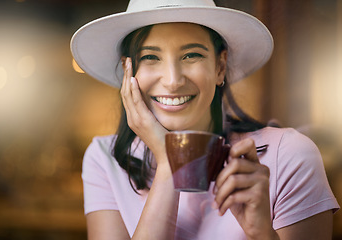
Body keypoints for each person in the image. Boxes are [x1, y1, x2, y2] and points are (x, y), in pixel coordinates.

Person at [71, 0, 339, 239]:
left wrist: (262, 234)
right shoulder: (104, 159)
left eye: (191, 55)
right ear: (129, 72)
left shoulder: (289, 155)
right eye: (151, 57)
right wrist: (169, 161)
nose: (173, 81)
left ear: (219, 67)